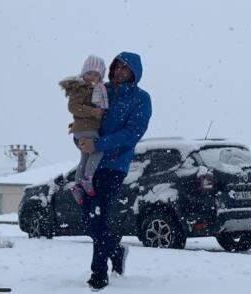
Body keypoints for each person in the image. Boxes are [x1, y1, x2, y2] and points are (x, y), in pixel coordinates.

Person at [78, 52, 152, 291]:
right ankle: (115, 249)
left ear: (135, 73)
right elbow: (86, 118)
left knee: (99, 216)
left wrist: (99, 144)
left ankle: (98, 274)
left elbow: (133, 133)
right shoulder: (101, 89)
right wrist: (80, 135)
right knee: (89, 221)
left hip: (114, 165)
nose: (119, 71)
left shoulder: (141, 99)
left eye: (125, 68)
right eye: (116, 67)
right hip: (90, 162)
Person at [60, 55, 109, 204]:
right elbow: (73, 107)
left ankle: (77, 186)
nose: (92, 77)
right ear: (83, 74)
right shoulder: (82, 88)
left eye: (96, 74)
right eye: (89, 73)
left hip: (86, 128)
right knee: (97, 151)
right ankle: (88, 178)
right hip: (86, 128)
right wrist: (93, 112)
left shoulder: (97, 89)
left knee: (85, 157)